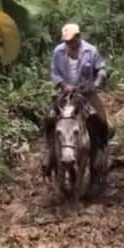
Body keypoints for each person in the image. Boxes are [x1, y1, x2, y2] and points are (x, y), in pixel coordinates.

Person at [44, 23, 110, 175]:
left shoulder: (90, 51)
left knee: (100, 120)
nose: (69, 44)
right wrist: (63, 85)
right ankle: (50, 154)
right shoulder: (58, 51)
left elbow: (101, 68)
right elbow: (54, 73)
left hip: (87, 93)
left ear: (78, 37)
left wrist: (97, 82)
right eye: (66, 41)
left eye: (71, 40)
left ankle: (99, 152)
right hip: (65, 95)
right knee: (49, 118)